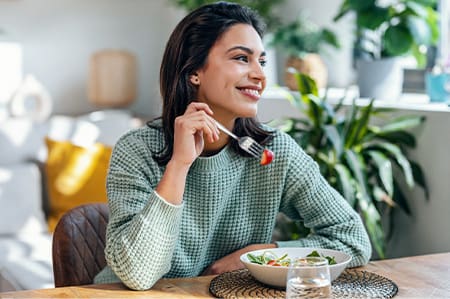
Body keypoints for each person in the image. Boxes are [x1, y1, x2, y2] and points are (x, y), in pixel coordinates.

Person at [94, 1, 371, 290]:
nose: (260, 76)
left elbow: (352, 239)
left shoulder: (273, 152)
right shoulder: (136, 151)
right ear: (194, 71)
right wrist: (179, 165)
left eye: (261, 62)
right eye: (242, 58)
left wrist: (261, 255)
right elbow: (138, 275)